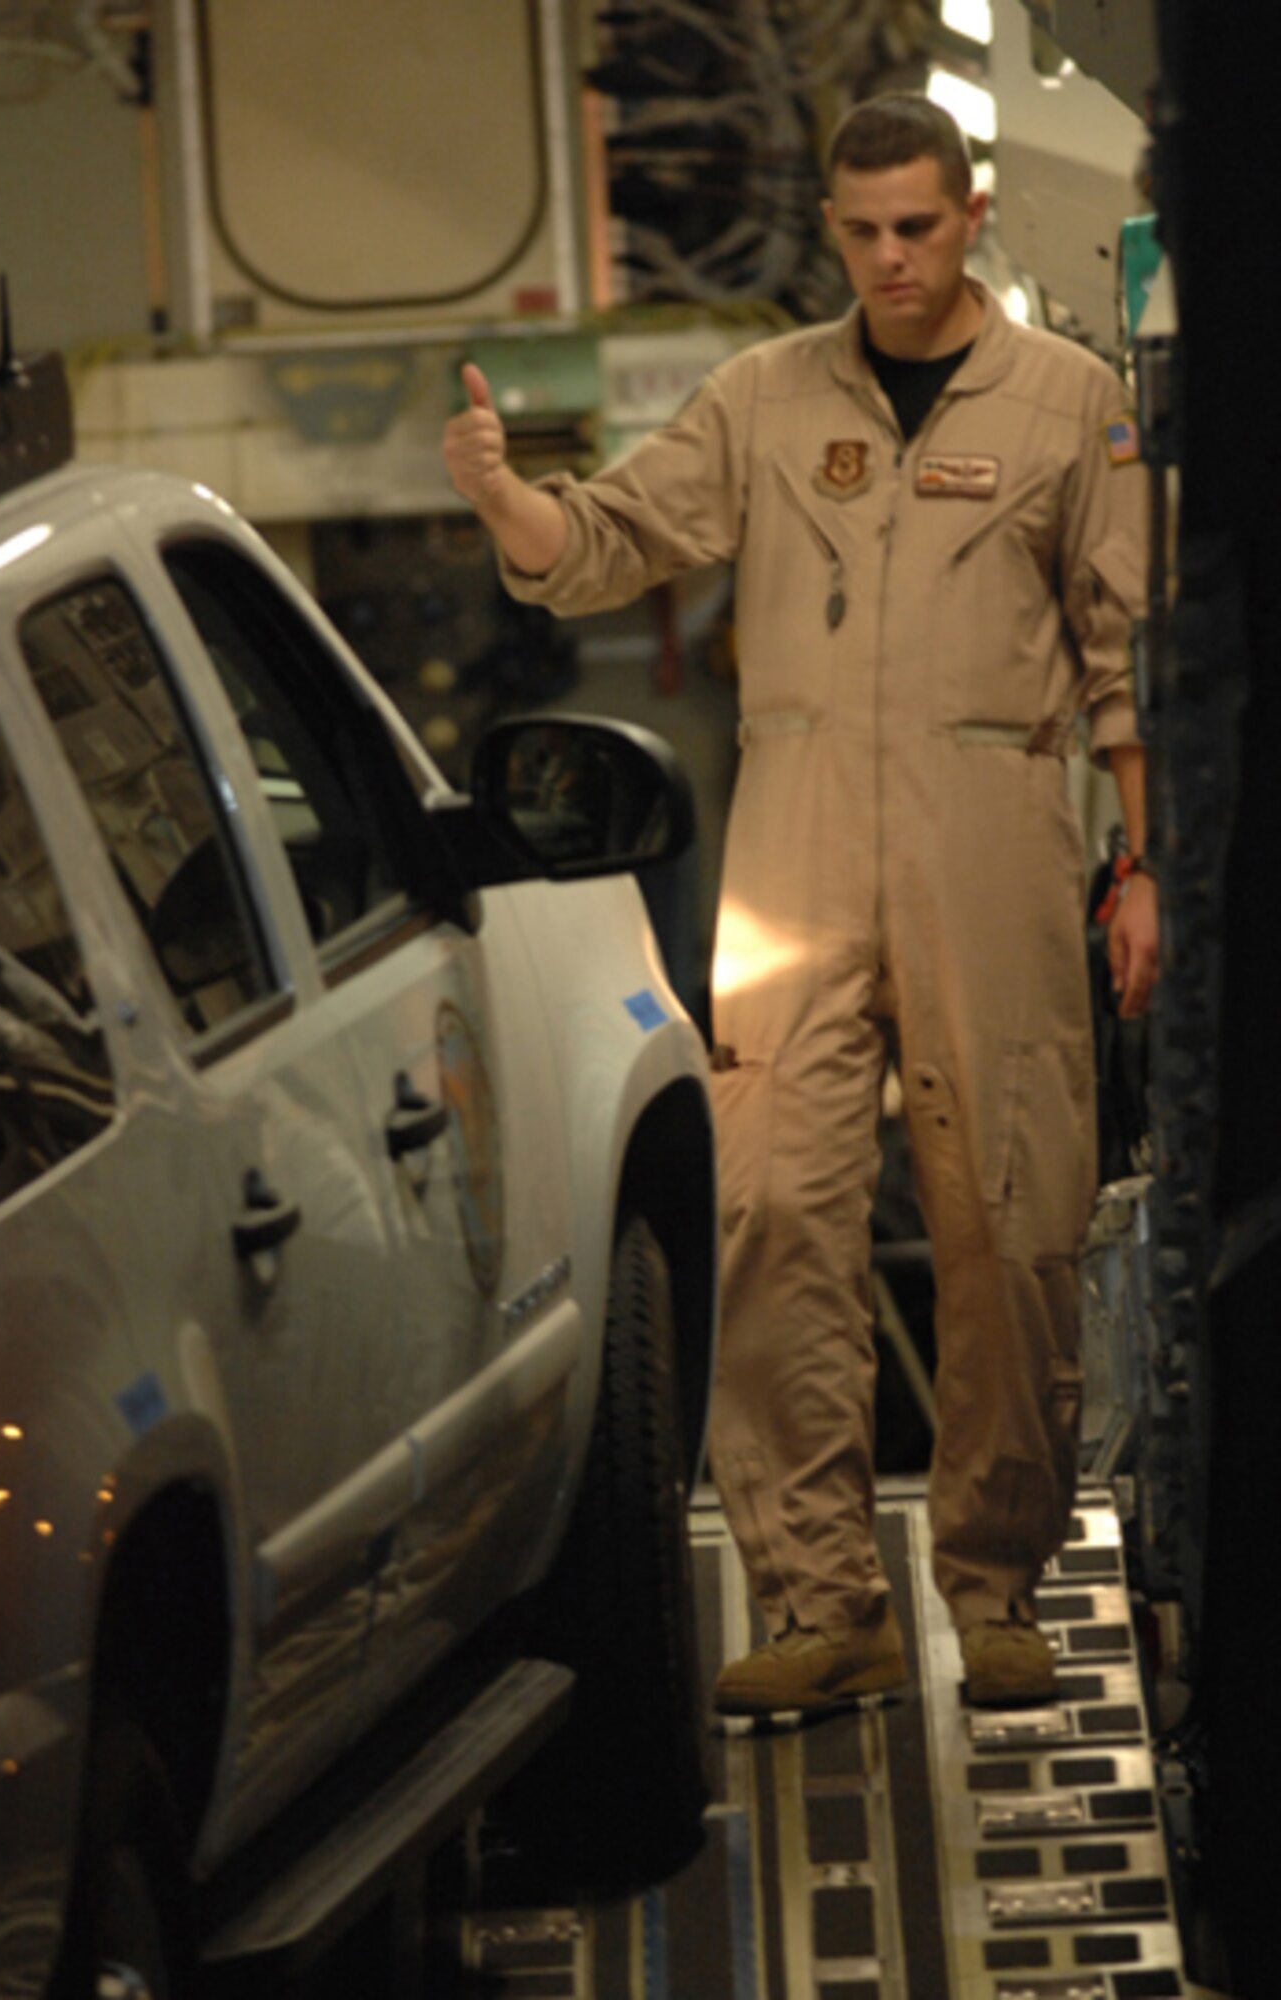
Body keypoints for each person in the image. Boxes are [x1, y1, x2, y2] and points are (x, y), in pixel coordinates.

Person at [442, 93, 1158, 1711]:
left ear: (972, 216)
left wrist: (1140, 863)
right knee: (769, 1210)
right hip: (798, 842)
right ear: (833, 233)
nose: (890, 259)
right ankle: (822, 1601)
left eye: (917, 226)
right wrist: (509, 502)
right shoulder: (765, 399)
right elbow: (617, 534)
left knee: (1013, 1224)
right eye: (861, 233)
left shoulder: (1069, 408)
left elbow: (1132, 666)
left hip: (994, 838)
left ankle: (994, 1592)